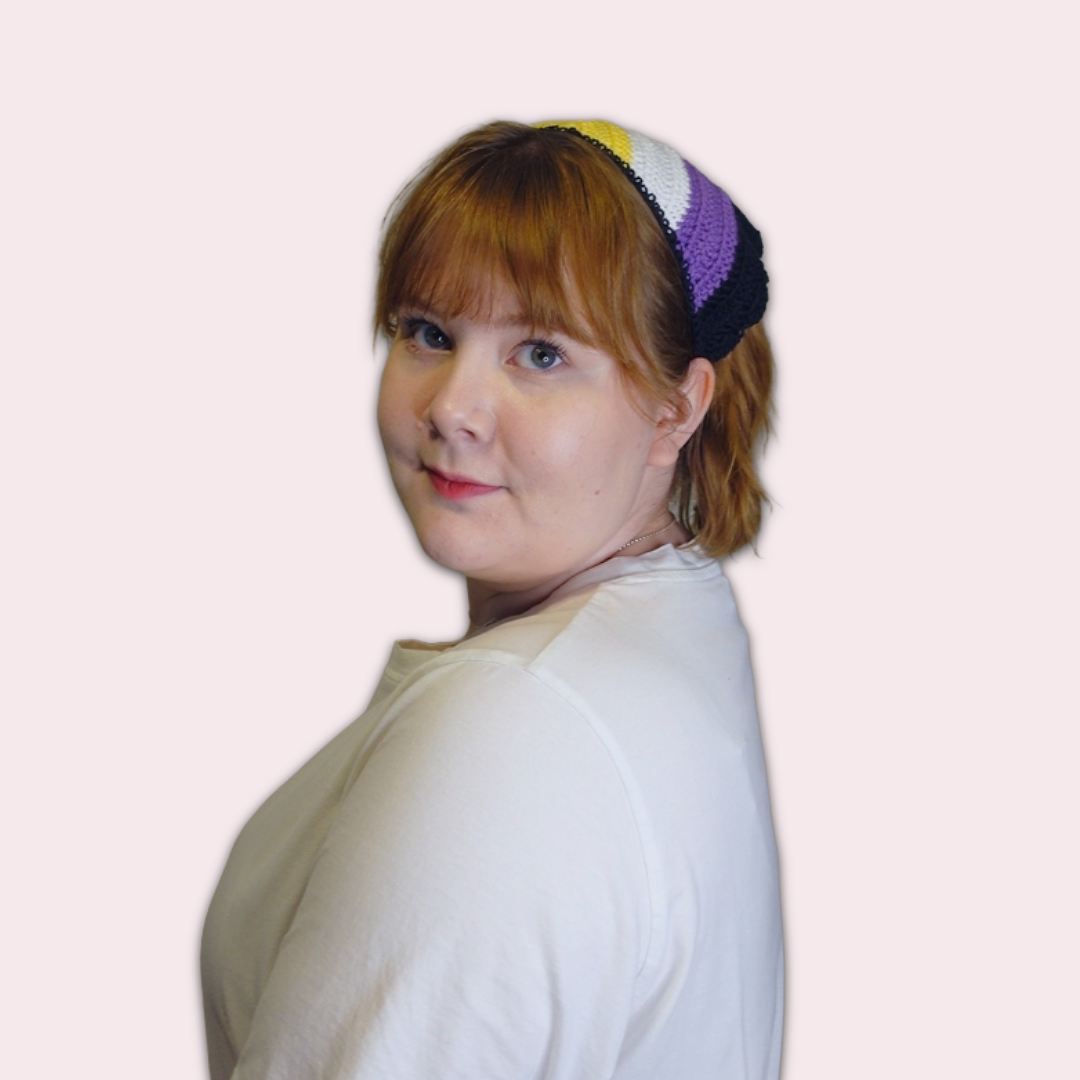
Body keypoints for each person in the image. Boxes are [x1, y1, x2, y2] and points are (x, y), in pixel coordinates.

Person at [201, 119, 784, 1080]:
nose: (450, 407)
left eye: (541, 354)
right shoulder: (670, 632)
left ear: (675, 408)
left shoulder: (522, 727)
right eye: (429, 333)